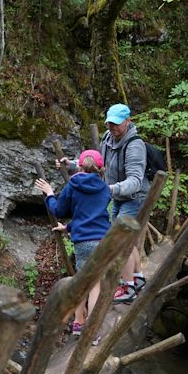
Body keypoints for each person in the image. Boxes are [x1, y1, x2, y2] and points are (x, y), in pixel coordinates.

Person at [57, 103, 149, 304]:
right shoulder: (108, 138)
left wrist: (109, 189)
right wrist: (73, 164)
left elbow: (135, 181)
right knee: (124, 239)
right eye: (109, 124)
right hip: (117, 196)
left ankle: (128, 286)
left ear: (128, 121)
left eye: (117, 124)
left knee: (118, 240)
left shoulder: (135, 145)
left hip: (134, 198)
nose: (112, 128)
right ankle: (138, 277)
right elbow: (98, 166)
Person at [36, 150, 111, 336]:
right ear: (100, 169)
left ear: (79, 166)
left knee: (82, 283)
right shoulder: (104, 188)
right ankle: (91, 330)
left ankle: (78, 323)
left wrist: (50, 194)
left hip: (82, 242)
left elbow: (59, 210)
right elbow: (93, 215)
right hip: (102, 240)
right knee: (95, 285)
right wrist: (68, 228)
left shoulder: (73, 185)